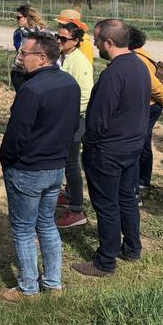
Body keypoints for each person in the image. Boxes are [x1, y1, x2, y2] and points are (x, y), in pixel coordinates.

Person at [0, 33, 79, 301]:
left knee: (23, 229)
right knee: (46, 224)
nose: (20, 58)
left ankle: (27, 288)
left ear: (42, 58)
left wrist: (6, 160)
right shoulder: (69, 84)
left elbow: (16, 135)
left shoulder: (31, 90)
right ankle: (53, 283)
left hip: (28, 169)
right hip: (56, 167)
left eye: (24, 54)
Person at [72, 19, 150, 278]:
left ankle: (105, 261)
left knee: (106, 206)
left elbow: (98, 119)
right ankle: (132, 248)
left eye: (96, 41)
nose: (94, 45)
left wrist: (89, 142)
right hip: (131, 147)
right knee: (127, 199)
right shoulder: (139, 66)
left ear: (109, 42)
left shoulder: (112, 74)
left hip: (108, 151)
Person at [54, 22, 94, 228]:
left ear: (76, 41)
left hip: (75, 120)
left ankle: (77, 209)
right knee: (67, 161)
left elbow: (86, 95)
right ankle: (69, 195)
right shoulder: (62, 57)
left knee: (71, 162)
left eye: (63, 39)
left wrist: (68, 114)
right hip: (64, 118)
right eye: (57, 37)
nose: (59, 41)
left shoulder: (80, 62)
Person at [128, 26, 163, 205]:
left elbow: (156, 87)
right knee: (144, 144)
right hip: (150, 105)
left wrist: (161, 101)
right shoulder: (141, 53)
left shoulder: (136, 59)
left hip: (149, 106)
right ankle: (143, 181)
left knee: (137, 145)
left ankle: (137, 186)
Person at [10, 4, 46, 91]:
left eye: (19, 17)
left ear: (27, 17)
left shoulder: (43, 33)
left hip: (36, 71)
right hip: (19, 70)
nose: (17, 20)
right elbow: (17, 48)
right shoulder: (17, 33)